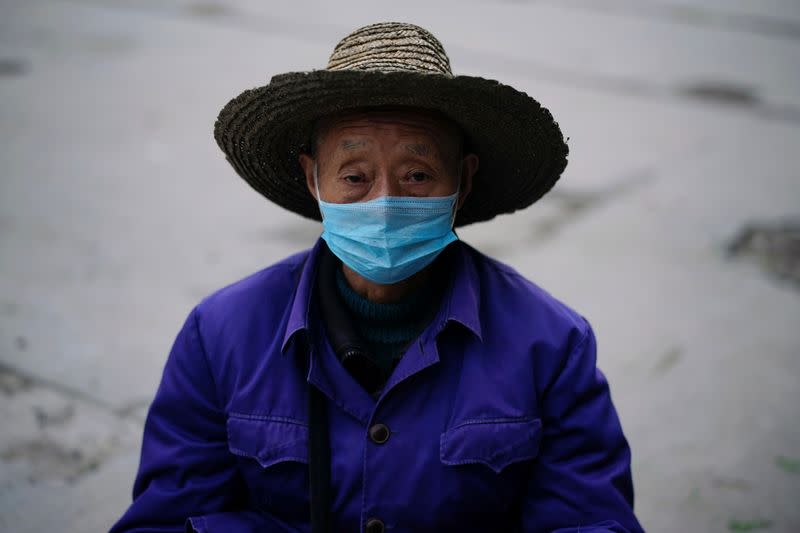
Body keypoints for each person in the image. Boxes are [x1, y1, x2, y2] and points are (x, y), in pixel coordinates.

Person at [112, 22, 643, 533]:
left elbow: (591, 519)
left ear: (462, 182)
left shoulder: (552, 344)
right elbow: (169, 517)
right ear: (312, 179)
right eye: (355, 176)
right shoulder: (220, 336)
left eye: (416, 175)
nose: (385, 201)